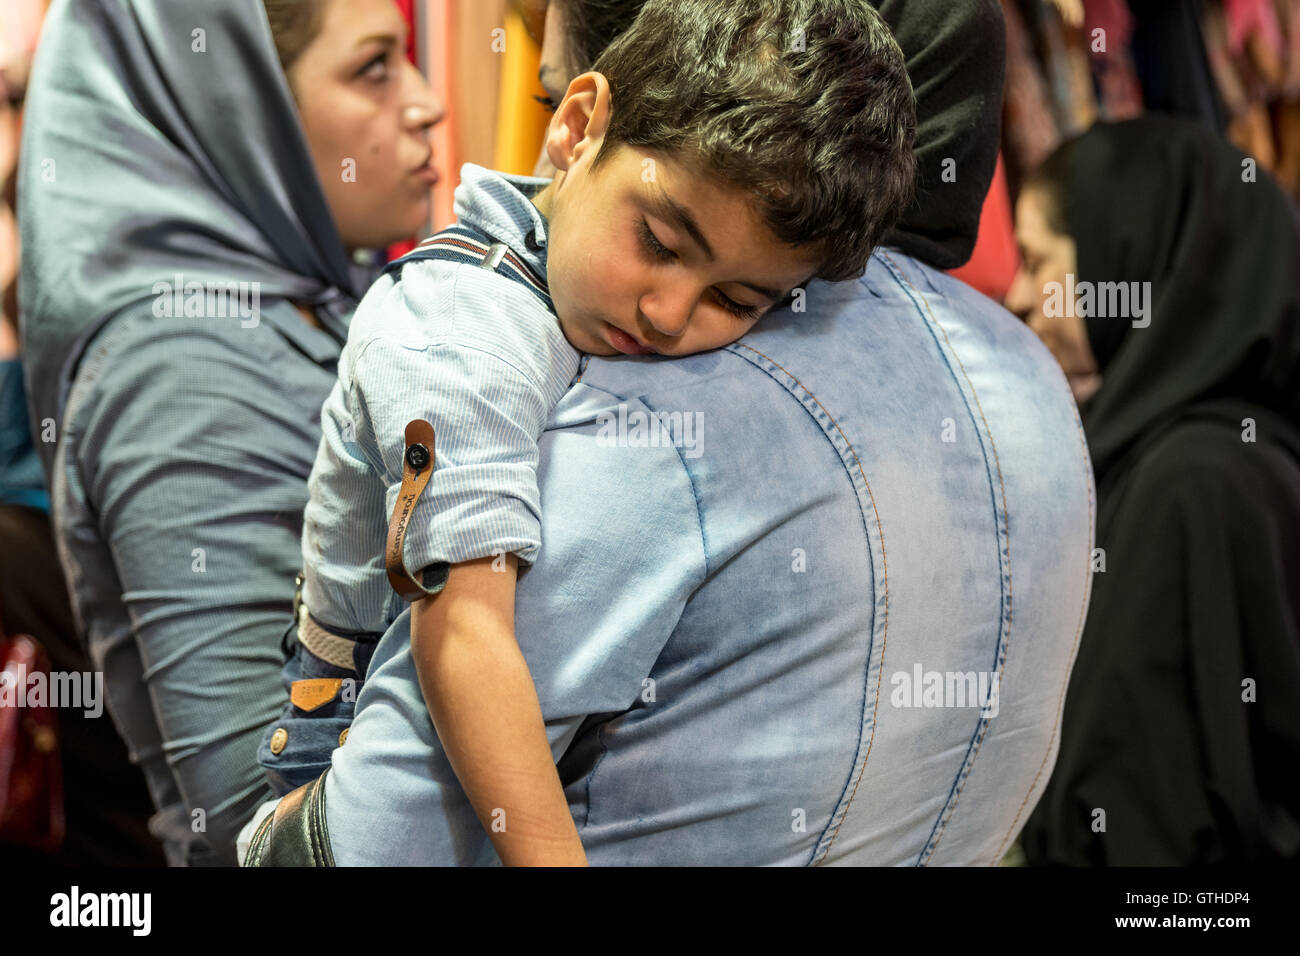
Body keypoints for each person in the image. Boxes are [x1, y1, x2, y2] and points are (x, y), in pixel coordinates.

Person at [245, 0, 1095, 867]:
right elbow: (463, 632)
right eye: (658, 241)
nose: (668, 313)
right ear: (576, 127)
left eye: (736, 301)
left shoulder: (620, 320)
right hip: (331, 734)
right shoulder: (464, 324)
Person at [17, 0, 442, 866]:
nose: (426, 101)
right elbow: (263, 819)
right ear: (244, 108)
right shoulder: (181, 371)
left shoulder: (303, 300)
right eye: (373, 67)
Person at [1006, 115, 1300, 865]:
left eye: (1040, 263)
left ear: (1125, 261)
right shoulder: (1244, 453)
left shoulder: (1192, 480)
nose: (1016, 295)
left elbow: (1138, 813)